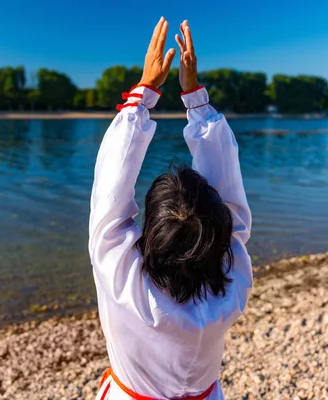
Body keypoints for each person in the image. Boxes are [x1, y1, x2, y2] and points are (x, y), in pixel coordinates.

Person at [89, 17, 252, 400]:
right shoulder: (230, 286)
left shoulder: (126, 283)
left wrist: (144, 92)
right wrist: (194, 98)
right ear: (219, 233)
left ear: (152, 226)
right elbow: (233, 211)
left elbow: (109, 191)